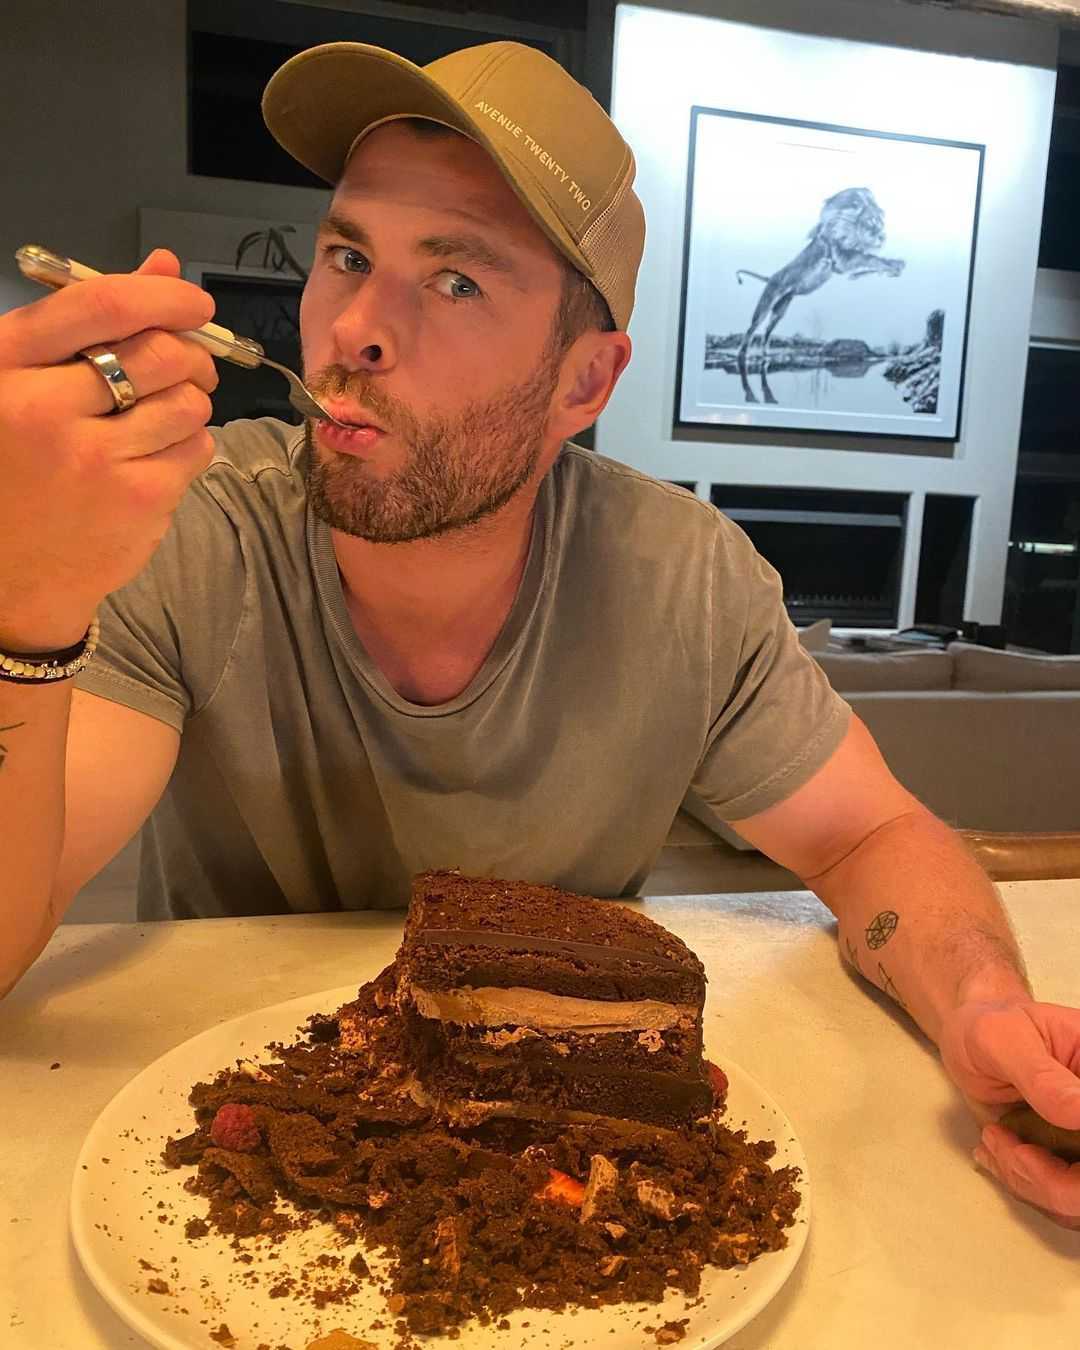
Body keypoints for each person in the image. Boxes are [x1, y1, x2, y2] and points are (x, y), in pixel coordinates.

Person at [0, 39, 1077, 1228]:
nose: (356, 328)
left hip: (551, 1178)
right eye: (348, 256)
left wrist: (983, 1008)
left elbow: (871, 835)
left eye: (456, 281)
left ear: (584, 383)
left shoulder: (681, 580)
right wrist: (26, 601)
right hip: (225, 1180)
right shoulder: (188, 532)